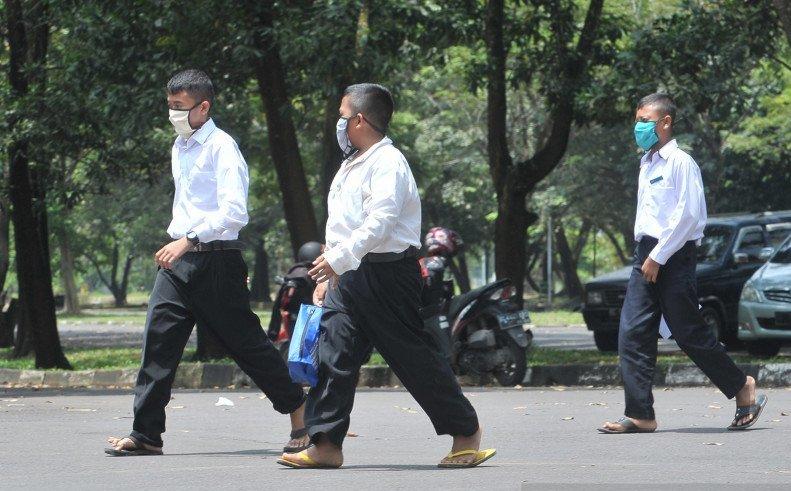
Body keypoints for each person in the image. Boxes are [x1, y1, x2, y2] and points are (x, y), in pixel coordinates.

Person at [278, 83, 495, 469]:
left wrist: (340, 258)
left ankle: (465, 431)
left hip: (387, 275)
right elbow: (342, 225)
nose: (339, 124)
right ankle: (326, 444)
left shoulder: (388, 163)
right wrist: (331, 272)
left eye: (343, 116)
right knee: (333, 353)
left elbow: (380, 223)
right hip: (349, 275)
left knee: (412, 358)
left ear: (359, 119)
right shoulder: (351, 164)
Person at [106, 69, 310, 456]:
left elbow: (235, 213)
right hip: (177, 263)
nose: (173, 114)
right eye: (169, 106)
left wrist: (190, 238)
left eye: (180, 107)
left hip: (216, 261)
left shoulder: (222, 147)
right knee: (158, 343)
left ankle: (298, 407)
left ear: (204, 106)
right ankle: (147, 434)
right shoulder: (179, 146)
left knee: (247, 345)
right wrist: (178, 242)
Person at [599, 93, 767, 434]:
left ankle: (742, 386)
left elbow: (688, 216)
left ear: (665, 123)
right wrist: (646, 254)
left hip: (672, 255)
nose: (638, 127)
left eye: (644, 121)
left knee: (689, 333)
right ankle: (641, 414)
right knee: (632, 332)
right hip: (645, 253)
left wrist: (658, 257)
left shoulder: (681, 162)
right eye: (637, 120)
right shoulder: (646, 163)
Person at [267, 241, 322, 343]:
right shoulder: (311, 274)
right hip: (311, 322)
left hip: (292, 320)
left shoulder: (294, 273)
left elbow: (277, 306)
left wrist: (273, 334)